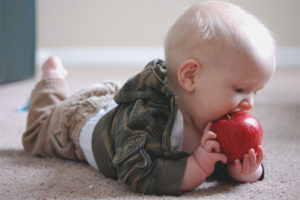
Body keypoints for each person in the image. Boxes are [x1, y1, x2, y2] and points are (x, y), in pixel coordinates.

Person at [22, 1, 276, 196]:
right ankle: (51, 78)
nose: (249, 103)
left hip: (115, 104)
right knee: (38, 132)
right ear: (190, 77)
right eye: (240, 89)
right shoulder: (147, 118)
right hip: (79, 121)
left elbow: (225, 158)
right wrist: (197, 165)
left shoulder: (217, 115)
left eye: (256, 91)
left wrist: (245, 171)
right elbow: (135, 173)